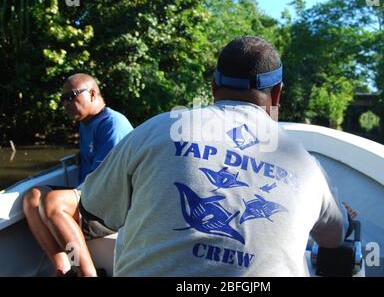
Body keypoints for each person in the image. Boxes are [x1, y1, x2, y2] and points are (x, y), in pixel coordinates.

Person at [79, 36, 352, 276]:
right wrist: (347, 217)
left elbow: (93, 208)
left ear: (213, 86)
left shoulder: (158, 128)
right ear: (278, 93)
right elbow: (333, 238)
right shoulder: (305, 163)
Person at [22, 73, 133, 276]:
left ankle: (87, 274)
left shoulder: (112, 124)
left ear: (92, 94)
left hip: (113, 207)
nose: (66, 103)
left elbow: (104, 184)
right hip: (92, 197)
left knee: (53, 203)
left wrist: (67, 198)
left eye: (71, 96)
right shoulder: (86, 123)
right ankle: (64, 268)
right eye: (63, 99)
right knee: (33, 196)